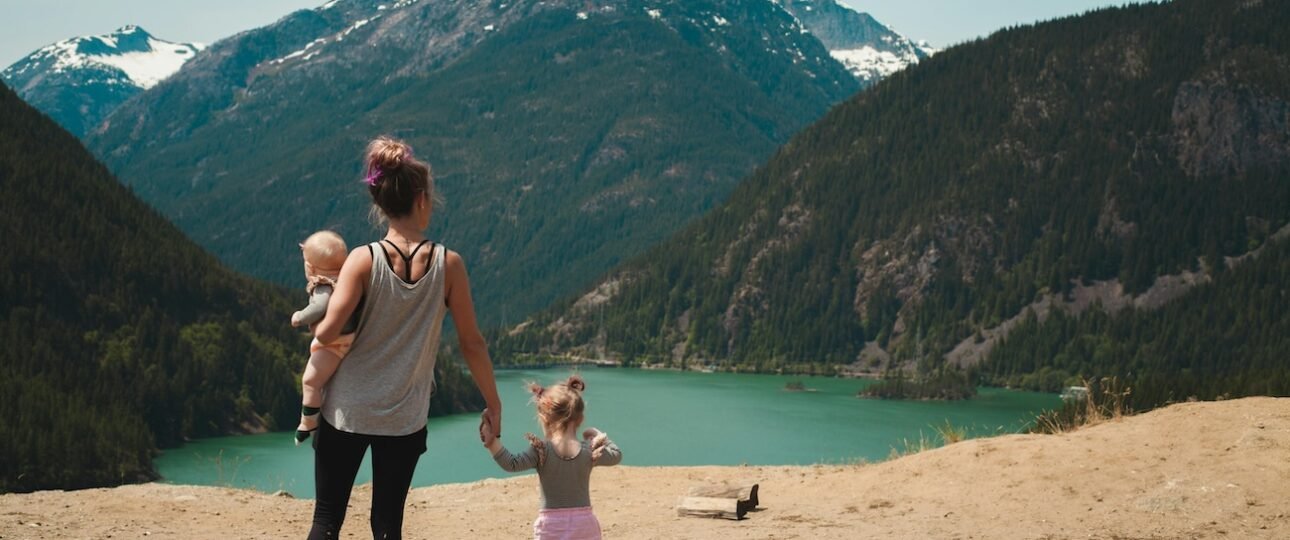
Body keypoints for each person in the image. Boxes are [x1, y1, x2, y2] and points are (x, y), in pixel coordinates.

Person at [309, 136, 503, 539]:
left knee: (327, 520)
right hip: (403, 418)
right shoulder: (450, 264)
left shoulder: (363, 258)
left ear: (381, 204)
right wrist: (493, 402)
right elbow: (472, 343)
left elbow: (327, 331)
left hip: (346, 410)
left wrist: (317, 302)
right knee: (387, 524)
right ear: (421, 199)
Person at [482, 375, 623, 540]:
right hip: (584, 525)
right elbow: (616, 455)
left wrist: (493, 442)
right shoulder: (589, 451)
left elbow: (512, 463)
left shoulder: (542, 451)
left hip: (551, 527)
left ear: (544, 417)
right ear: (580, 419)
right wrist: (598, 435)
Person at [290, 230, 359, 445]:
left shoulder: (323, 285)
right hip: (354, 338)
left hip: (334, 344)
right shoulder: (350, 279)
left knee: (310, 381)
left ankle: (308, 421)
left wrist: (299, 317)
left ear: (309, 267)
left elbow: (319, 307)